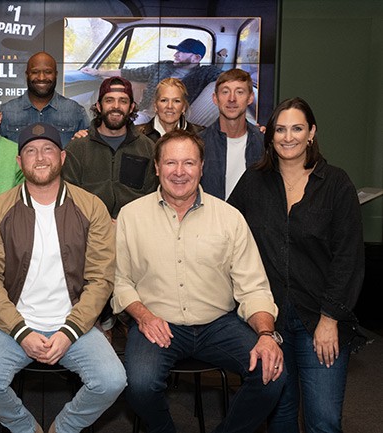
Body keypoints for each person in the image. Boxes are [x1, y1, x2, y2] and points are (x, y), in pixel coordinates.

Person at [112, 128, 285, 433]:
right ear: (156, 167)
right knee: (139, 384)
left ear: (202, 167)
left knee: (272, 373)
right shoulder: (130, 215)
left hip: (218, 324)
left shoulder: (230, 218)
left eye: (189, 163)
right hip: (157, 322)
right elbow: (121, 281)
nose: (179, 172)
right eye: (170, 163)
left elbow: (254, 287)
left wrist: (266, 335)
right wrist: (144, 316)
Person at [0, 122, 126, 433]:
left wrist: (70, 331)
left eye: (48, 149)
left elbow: (101, 280)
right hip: (13, 323)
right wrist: (20, 332)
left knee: (112, 381)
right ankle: (27, 429)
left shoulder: (90, 206)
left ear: (63, 157)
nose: (40, 157)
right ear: (19, 162)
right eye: (30, 151)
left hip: (73, 322)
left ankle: (62, 429)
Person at [228, 97, 367, 433]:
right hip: (268, 319)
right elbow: (226, 234)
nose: (288, 137)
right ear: (270, 135)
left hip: (318, 319)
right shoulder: (253, 182)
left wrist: (330, 318)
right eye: (280, 129)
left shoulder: (335, 183)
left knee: (323, 420)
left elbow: (349, 256)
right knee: (280, 415)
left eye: (297, 128)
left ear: (311, 133)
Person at [63, 77, 157, 220]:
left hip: (133, 229)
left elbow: (152, 196)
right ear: (99, 106)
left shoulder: (147, 148)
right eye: (109, 100)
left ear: (131, 107)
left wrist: (124, 221)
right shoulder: (77, 148)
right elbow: (68, 196)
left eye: (123, 101)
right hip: (89, 230)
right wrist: (101, 223)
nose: (116, 106)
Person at [82, 38, 221, 120]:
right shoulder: (163, 66)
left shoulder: (204, 73)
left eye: (181, 52)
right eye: (176, 51)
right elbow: (131, 73)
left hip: (174, 119)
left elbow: (230, 77)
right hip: (147, 114)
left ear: (196, 58)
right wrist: (98, 71)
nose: (175, 55)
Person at [199, 68, 264, 200]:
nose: (232, 99)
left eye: (239, 92)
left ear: (250, 97)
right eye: (225, 92)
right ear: (215, 98)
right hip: (211, 219)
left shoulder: (264, 143)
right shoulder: (198, 144)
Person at [0, 52, 89, 147]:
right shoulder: (6, 112)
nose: (41, 78)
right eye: (35, 72)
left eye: (48, 72)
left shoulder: (75, 111)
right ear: (27, 75)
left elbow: (88, 149)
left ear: (56, 74)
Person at [137, 78, 204, 142]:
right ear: (155, 106)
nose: (170, 106)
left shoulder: (201, 134)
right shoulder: (136, 134)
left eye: (176, 101)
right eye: (164, 100)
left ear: (183, 107)